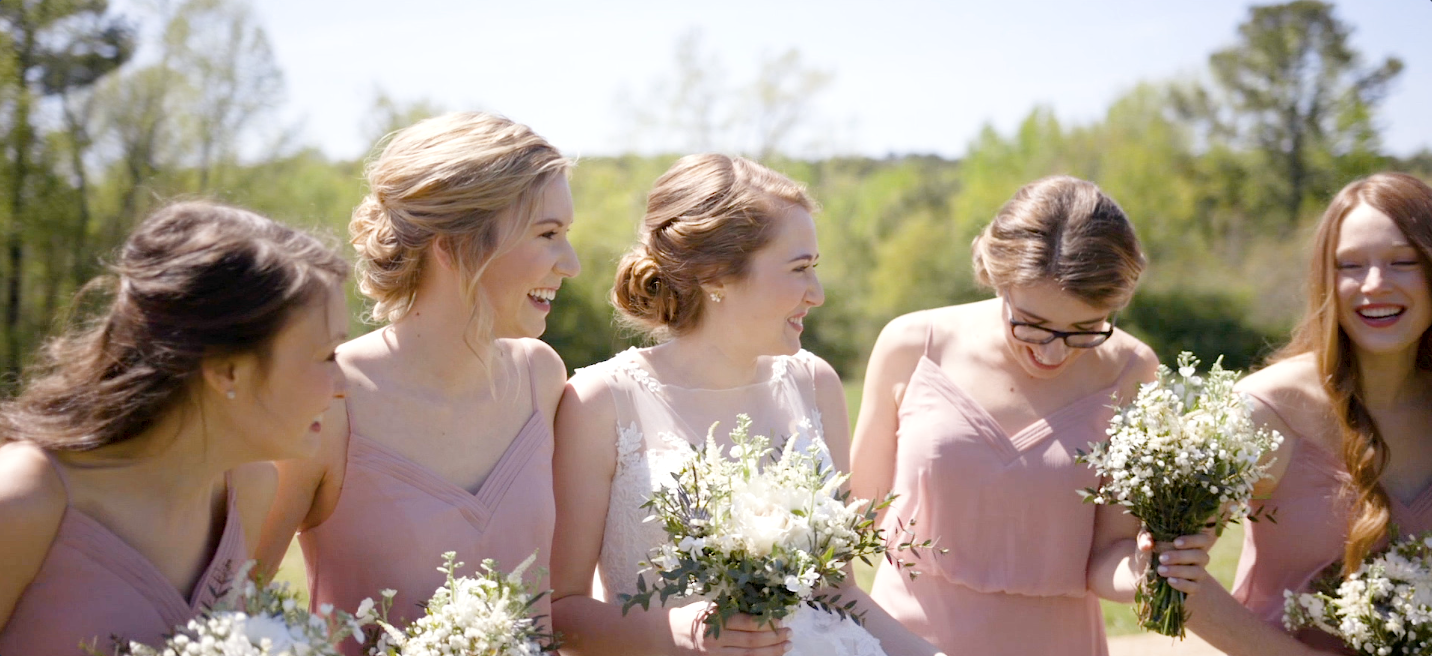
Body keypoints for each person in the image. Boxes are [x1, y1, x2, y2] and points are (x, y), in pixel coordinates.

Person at [551, 154, 941, 656]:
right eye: (800, 268)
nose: (816, 293)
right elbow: (560, 612)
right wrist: (678, 633)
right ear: (715, 275)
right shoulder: (601, 401)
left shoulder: (815, 383)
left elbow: (837, 592)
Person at [849, 176, 1215, 656]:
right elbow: (855, 520)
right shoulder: (913, 345)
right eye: (1032, 324)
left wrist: (1153, 571)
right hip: (904, 641)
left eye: (1085, 330)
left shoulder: (1133, 370)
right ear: (996, 278)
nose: (1053, 353)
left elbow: (1108, 558)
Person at [256, 112, 578, 636]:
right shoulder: (328, 400)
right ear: (452, 244)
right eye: (548, 234)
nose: (571, 263)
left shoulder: (542, 378)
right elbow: (229, 605)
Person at [0, 202, 348, 653]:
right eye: (326, 356)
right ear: (227, 369)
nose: (342, 386)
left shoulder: (251, 490)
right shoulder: (24, 500)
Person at [1185, 172, 1432, 656]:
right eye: (1349, 266)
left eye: (1403, 262)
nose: (1375, 285)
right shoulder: (1263, 409)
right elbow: (1163, 575)